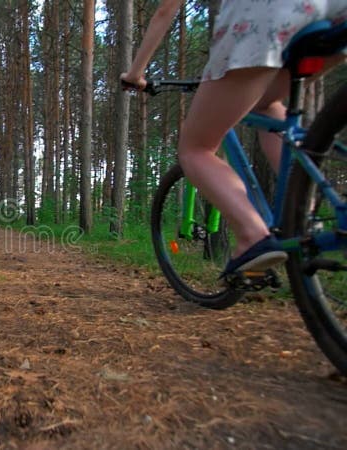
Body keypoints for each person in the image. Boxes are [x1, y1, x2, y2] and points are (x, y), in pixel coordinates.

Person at [122, 0, 347, 276]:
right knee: (264, 102)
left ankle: (252, 234)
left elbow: (166, 8)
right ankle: (304, 211)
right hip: (334, 14)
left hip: (266, 18)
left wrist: (135, 74)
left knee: (196, 148)